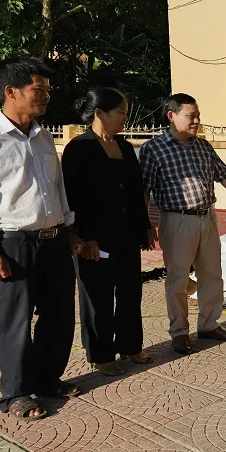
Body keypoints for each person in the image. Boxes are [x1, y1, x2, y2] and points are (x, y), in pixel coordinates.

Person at [0, 57, 84, 421]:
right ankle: (15, 393)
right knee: (15, 321)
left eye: (47, 89)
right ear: (11, 92)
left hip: (53, 240)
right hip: (11, 244)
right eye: (38, 89)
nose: (45, 95)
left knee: (59, 316)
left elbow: (57, 190)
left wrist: (70, 230)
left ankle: (48, 380)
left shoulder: (44, 136)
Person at [139, 93, 226, 354]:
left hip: (207, 218)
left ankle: (208, 324)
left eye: (198, 116)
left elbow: (224, 175)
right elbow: (144, 190)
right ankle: (180, 333)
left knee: (211, 275)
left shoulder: (203, 147)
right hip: (176, 219)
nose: (196, 121)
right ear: (172, 116)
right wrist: (147, 225)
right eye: (190, 116)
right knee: (178, 279)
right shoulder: (154, 149)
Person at [62, 88, 156, 376]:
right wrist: (83, 236)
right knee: (98, 298)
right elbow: (72, 197)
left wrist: (146, 227)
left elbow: (136, 191)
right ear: (100, 113)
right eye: (121, 112)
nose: (125, 118)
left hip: (127, 234)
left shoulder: (125, 147)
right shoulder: (79, 149)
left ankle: (130, 345)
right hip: (94, 239)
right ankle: (101, 353)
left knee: (130, 293)